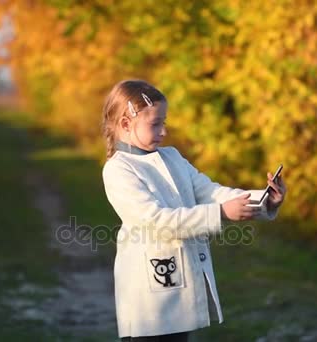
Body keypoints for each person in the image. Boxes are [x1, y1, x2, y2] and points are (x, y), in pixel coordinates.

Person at [101, 79, 286, 342]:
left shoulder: (173, 156)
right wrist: (220, 213)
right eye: (155, 124)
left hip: (182, 283)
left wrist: (265, 200)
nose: (163, 132)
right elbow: (156, 222)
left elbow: (210, 191)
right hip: (148, 297)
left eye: (164, 122)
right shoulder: (118, 170)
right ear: (126, 124)